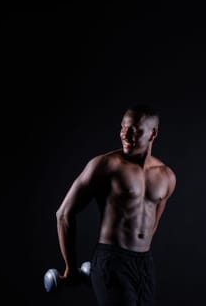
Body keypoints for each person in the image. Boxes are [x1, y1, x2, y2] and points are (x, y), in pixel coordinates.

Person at [55, 104, 176, 306]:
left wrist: (138, 253)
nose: (125, 135)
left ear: (153, 133)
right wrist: (70, 267)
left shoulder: (167, 176)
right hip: (112, 261)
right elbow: (63, 214)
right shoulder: (104, 166)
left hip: (144, 264)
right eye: (123, 127)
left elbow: (152, 225)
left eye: (134, 129)